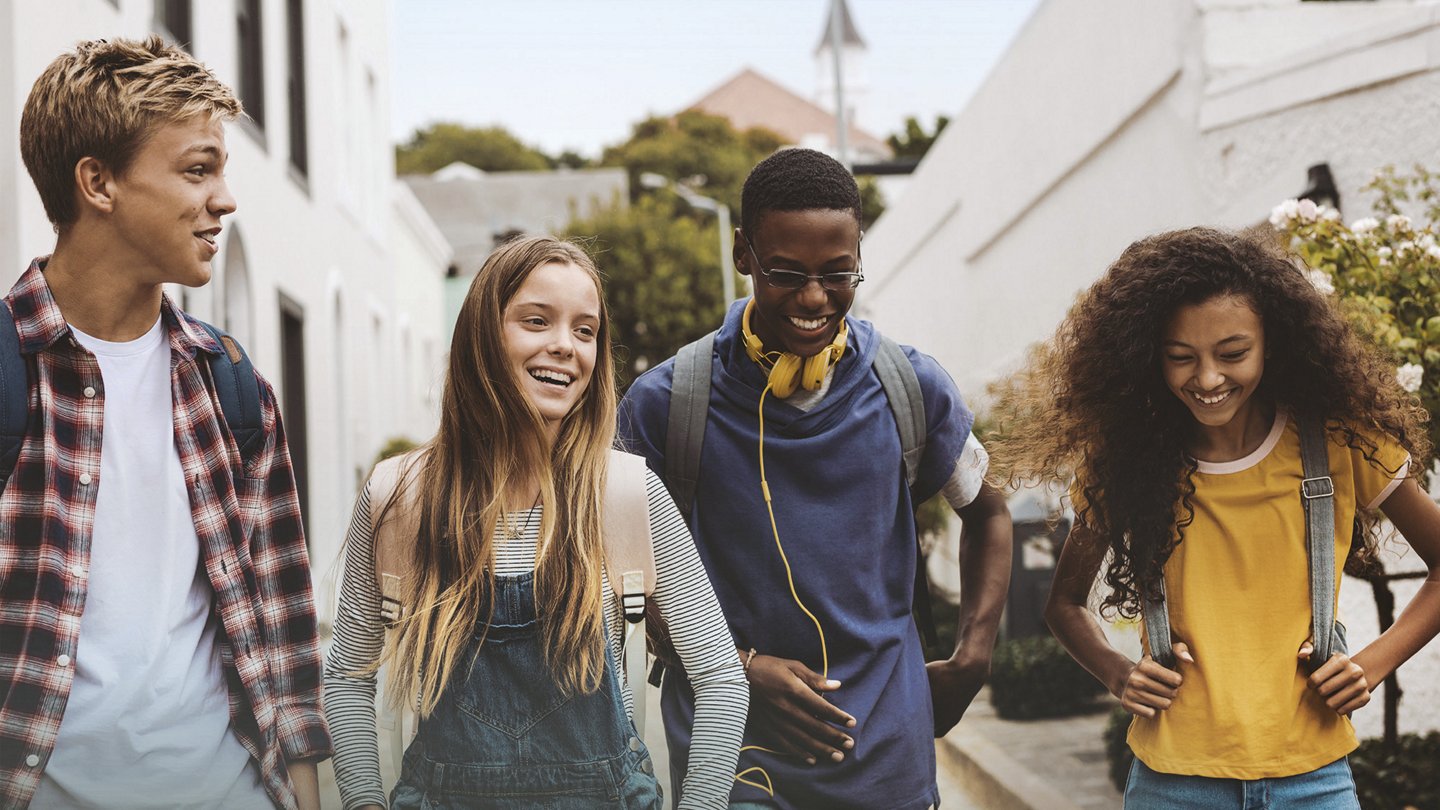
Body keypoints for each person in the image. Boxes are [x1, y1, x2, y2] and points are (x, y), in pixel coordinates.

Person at [618, 148, 1013, 809]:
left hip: (887, 764)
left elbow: (990, 513)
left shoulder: (911, 386)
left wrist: (973, 658)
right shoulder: (666, 403)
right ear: (743, 253)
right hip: (735, 761)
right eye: (785, 273)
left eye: (838, 274)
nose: (812, 298)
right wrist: (737, 669)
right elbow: (626, 572)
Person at [990, 227, 1440, 807]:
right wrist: (1116, 672)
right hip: (1172, 782)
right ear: (1149, 356)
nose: (1207, 379)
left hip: (1314, 778)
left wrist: (1372, 665)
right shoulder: (1126, 461)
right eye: (1181, 358)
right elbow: (1063, 604)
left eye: (1232, 354)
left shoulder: (1340, 440)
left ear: (1271, 343)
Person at [6, 37, 329, 809]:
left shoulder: (233, 385)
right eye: (197, 169)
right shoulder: (13, 370)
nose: (225, 198)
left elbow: (284, 638)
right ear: (99, 183)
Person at [323, 235, 748, 810]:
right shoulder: (403, 496)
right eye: (536, 320)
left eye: (584, 330)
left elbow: (722, 681)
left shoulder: (624, 494)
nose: (564, 346)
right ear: (482, 335)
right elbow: (347, 679)